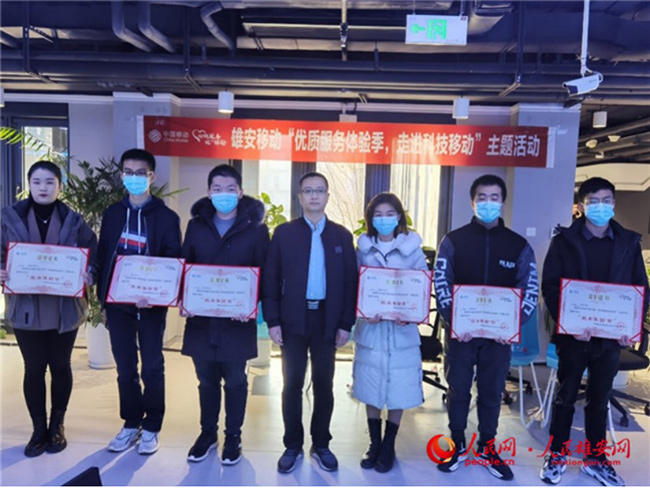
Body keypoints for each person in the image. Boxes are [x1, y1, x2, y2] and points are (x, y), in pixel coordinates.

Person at [539, 177, 649, 486]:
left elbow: (640, 289)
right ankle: (556, 454)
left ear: (613, 204)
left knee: (600, 400)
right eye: (594, 201)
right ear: (581, 206)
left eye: (606, 201)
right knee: (565, 397)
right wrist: (569, 323)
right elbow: (551, 286)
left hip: (610, 339)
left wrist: (631, 326)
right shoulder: (564, 241)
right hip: (574, 337)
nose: (601, 207)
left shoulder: (628, 242)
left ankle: (595, 459)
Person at [433, 174, 539, 481]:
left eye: (494, 197)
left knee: (492, 392)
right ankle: (456, 442)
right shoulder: (453, 241)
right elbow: (442, 282)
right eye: (482, 197)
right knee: (458, 389)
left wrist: (512, 326)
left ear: (502, 202)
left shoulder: (518, 245)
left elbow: (529, 289)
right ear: (472, 202)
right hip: (461, 334)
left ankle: (487, 446)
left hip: (498, 338)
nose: (488, 203)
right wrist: (454, 321)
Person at [262, 172, 358, 474]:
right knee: (291, 384)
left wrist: (345, 324)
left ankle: (321, 443)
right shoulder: (284, 233)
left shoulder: (342, 236)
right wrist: (272, 320)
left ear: (327, 196)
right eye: (308, 191)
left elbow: (350, 283)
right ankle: (292, 444)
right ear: (300, 197)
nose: (314, 196)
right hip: (292, 318)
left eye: (319, 190)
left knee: (324, 385)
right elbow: (270, 279)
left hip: (327, 320)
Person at [0, 161, 97, 457]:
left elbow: (92, 253)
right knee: (33, 368)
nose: (43, 188)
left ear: (59, 186)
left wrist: (89, 273)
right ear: (29, 184)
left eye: (50, 182)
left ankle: (57, 426)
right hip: (25, 307)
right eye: (37, 182)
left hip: (64, 308)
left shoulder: (74, 220)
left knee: (60, 366)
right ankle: (38, 429)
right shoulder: (8, 217)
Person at [180, 164, 269, 464]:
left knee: (235, 380)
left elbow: (264, 274)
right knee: (206, 380)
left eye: (230, 189)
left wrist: (251, 305)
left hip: (236, 321)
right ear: (208, 192)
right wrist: (184, 298)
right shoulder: (196, 226)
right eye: (217, 189)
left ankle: (233, 436)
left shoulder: (256, 229)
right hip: (202, 319)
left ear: (240, 192)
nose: (224, 195)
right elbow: (185, 267)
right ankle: (208, 434)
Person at [96, 149, 182, 455]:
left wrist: (156, 295)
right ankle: (131, 423)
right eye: (128, 172)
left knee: (153, 366)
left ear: (151, 176)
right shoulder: (112, 214)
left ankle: (152, 426)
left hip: (150, 305)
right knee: (125, 366)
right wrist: (102, 300)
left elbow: (173, 261)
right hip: (117, 303)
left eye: (140, 173)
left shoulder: (167, 217)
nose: (134, 178)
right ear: (122, 176)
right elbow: (103, 256)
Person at [353, 192, 427, 473]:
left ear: (399, 217)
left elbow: (421, 289)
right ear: (370, 219)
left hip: (401, 332)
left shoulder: (413, 250)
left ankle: (388, 444)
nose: (384, 219)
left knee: (399, 386)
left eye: (389, 214)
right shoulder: (362, 249)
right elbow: (355, 286)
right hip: (371, 329)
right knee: (370, 384)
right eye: (378, 215)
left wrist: (410, 314)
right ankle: (374, 443)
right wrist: (363, 309)